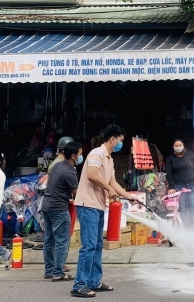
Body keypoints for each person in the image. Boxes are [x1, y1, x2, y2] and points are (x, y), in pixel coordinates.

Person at [71, 124, 137, 298]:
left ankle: (94, 281)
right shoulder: (96, 154)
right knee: (89, 246)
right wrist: (109, 188)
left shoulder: (109, 159)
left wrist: (129, 196)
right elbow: (91, 175)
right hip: (87, 205)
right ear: (113, 139)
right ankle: (79, 284)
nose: (121, 144)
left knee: (98, 245)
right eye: (120, 140)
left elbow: (113, 182)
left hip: (98, 205)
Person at [41, 141, 82, 282]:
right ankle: (58, 272)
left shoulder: (57, 165)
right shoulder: (70, 171)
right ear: (73, 156)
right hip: (58, 208)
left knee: (49, 239)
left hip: (46, 206)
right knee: (62, 241)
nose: (81, 157)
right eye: (80, 154)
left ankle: (49, 270)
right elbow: (77, 193)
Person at [165, 139, 194, 226]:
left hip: (192, 185)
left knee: (193, 208)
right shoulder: (170, 159)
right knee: (182, 208)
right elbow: (169, 174)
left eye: (180, 145)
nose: (178, 147)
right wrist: (171, 187)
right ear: (173, 147)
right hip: (179, 186)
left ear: (183, 145)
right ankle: (184, 228)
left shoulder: (190, 155)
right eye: (176, 145)